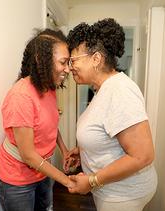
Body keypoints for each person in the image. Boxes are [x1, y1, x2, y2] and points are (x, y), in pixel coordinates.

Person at [65, 18, 157, 211]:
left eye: (73, 60)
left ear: (96, 59)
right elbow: (109, 136)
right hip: (113, 190)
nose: (69, 67)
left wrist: (91, 181)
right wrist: (85, 152)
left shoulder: (119, 91)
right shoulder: (104, 90)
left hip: (122, 195)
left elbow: (143, 156)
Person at [0, 28, 74, 211]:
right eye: (63, 62)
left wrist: (64, 149)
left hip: (42, 172)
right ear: (41, 60)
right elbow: (28, 155)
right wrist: (67, 181)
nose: (68, 69)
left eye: (68, 62)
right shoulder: (21, 96)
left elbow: (50, 125)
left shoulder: (49, 87)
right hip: (17, 181)